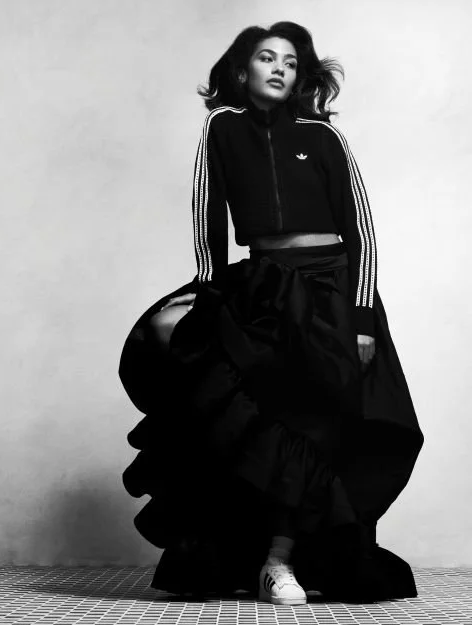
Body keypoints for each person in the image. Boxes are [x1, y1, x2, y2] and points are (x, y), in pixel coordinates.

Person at [119, 21, 424, 605]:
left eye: (290, 61)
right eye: (267, 57)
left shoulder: (323, 136)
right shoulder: (221, 128)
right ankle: (261, 559)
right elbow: (207, 217)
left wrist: (362, 322)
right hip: (265, 288)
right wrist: (208, 292)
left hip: (333, 292)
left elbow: (362, 231)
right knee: (260, 422)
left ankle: (285, 559)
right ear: (242, 70)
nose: (280, 67)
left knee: (324, 425)